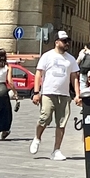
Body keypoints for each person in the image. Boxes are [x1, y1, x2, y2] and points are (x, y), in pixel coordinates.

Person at [30, 31, 81, 160]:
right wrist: (37, 92)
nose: (66, 43)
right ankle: (37, 138)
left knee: (61, 123)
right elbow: (38, 74)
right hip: (48, 92)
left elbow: (74, 77)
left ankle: (56, 150)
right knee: (44, 117)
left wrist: (77, 94)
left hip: (64, 95)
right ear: (56, 42)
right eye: (64, 41)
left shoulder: (71, 59)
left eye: (67, 41)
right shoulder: (47, 56)